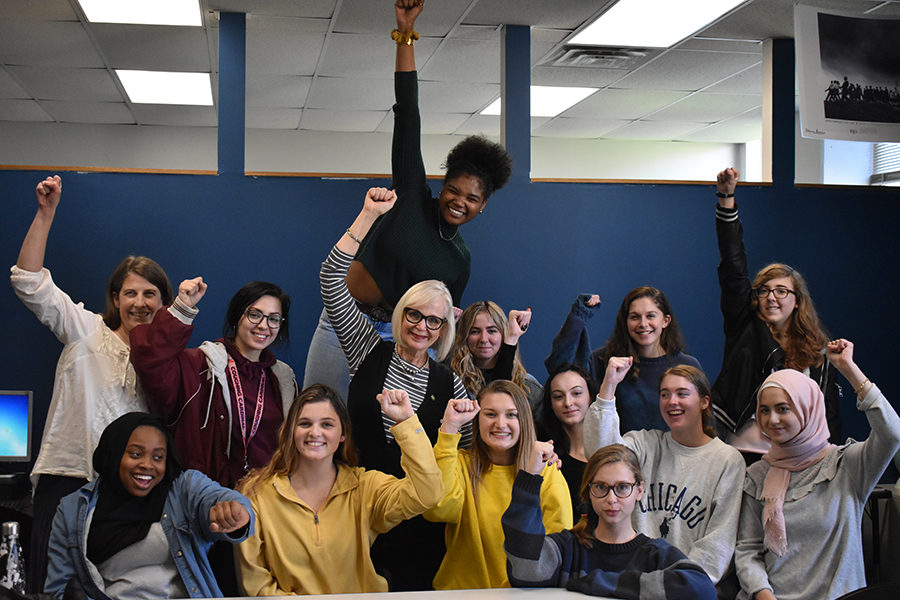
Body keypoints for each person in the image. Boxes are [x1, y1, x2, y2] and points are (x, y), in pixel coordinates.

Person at [302, 0, 513, 399]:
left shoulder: (459, 260)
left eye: (471, 198)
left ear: (482, 205)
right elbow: (408, 115)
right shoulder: (412, 197)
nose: (458, 201)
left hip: (391, 341)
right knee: (316, 410)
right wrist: (405, 35)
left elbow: (443, 326)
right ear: (442, 183)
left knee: (367, 432)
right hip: (342, 319)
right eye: (453, 189)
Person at [10, 175, 174, 592]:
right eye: (131, 293)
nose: (140, 302)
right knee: (51, 584)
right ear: (116, 298)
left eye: (150, 294)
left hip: (124, 486)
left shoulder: (166, 359)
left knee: (107, 584)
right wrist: (45, 213)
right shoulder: (84, 329)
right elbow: (28, 281)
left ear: (164, 303)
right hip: (67, 474)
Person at [320, 186, 468, 590]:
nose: (422, 327)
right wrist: (368, 215)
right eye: (414, 315)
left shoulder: (449, 383)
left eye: (434, 321)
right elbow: (331, 280)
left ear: (444, 329)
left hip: (422, 525)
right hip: (360, 510)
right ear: (401, 314)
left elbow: (469, 449)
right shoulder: (367, 349)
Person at [235, 384, 443, 595]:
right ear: (291, 431)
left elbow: (427, 493)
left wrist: (406, 422)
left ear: (343, 433)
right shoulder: (256, 495)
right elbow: (255, 585)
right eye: (305, 423)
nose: (315, 432)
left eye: (327, 424)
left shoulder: (365, 488)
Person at [735, 340, 900, 600]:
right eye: (764, 411)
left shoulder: (846, 465)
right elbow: (748, 550)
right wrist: (763, 594)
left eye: (783, 409)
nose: (772, 420)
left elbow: (892, 433)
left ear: (807, 409)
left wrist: (849, 369)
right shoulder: (757, 474)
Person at [44, 412, 253, 600]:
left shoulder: (183, 489)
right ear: (114, 454)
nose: (147, 465)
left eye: (158, 457)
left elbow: (220, 498)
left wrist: (236, 511)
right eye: (136, 454)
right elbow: (58, 588)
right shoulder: (72, 509)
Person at [712, 167, 841, 458]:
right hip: (740, 450)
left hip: (799, 455)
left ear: (797, 301)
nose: (771, 297)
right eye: (764, 290)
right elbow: (733, 266)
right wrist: (726, 199)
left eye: (781, 291)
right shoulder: (745, 327)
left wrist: (831, 461)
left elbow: (829, 413)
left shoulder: (818, 352)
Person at [583, 362, 745, 592]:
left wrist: (680, 585)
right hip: (631, 584)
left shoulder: (727, 461)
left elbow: (718, 543)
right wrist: (608, 388)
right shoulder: (646, 445)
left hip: (684, 589)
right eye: (664, 394)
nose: (672, 402)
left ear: (704, 401)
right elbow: (601, 456)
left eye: (682, 394)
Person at [130, 278, 297, 488]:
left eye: (274, 319)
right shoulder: (200, 366)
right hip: (210, 500)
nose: (264, 326)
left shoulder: (283, 379)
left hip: (269, 500)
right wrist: (182, 308)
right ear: (237, 317)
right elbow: (151, 362)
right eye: (254, 315)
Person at [503, 443, 717, 599]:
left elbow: (702, 590)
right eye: (601, 487)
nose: (611, 499)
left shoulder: (656, 554)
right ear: (589, 491)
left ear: (639, 490)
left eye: (622, 487)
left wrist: (600, 583)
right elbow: (524, 571)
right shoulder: (568, 547)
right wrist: (529, 478)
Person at [425, 380, 573, 590]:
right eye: (491, 414)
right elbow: (437, 510)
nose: (500, 424)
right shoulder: (458, 462)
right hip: (462, 592)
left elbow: (557, 547)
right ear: (477, 419)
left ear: (524, 420)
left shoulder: (545, 470)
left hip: (522, 594)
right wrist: (449, 428)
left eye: (511, 415)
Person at [546, 289, 701, 433]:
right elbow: (560, 368)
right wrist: (579, 316)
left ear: (666, 321)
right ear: (625, 322)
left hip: (674, 457)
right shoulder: (606, 362)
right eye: (635, 317)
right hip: (620, 459)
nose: (643, 324)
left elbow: (700, 419)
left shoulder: (686, 365)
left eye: (651, 316)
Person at [449, 301, 543, 408]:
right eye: (475, 331)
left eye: (492, 331)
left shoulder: (528, 386)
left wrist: (512, 338)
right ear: (465, 336)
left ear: (503, 334)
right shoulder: (453, 382)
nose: (483, 339)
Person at [536, 363, 597, 513]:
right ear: (550, 403)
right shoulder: (546, 456)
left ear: (590, 396)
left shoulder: (610, 446)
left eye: (576, 393)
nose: (568, 403)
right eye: (558, 396)